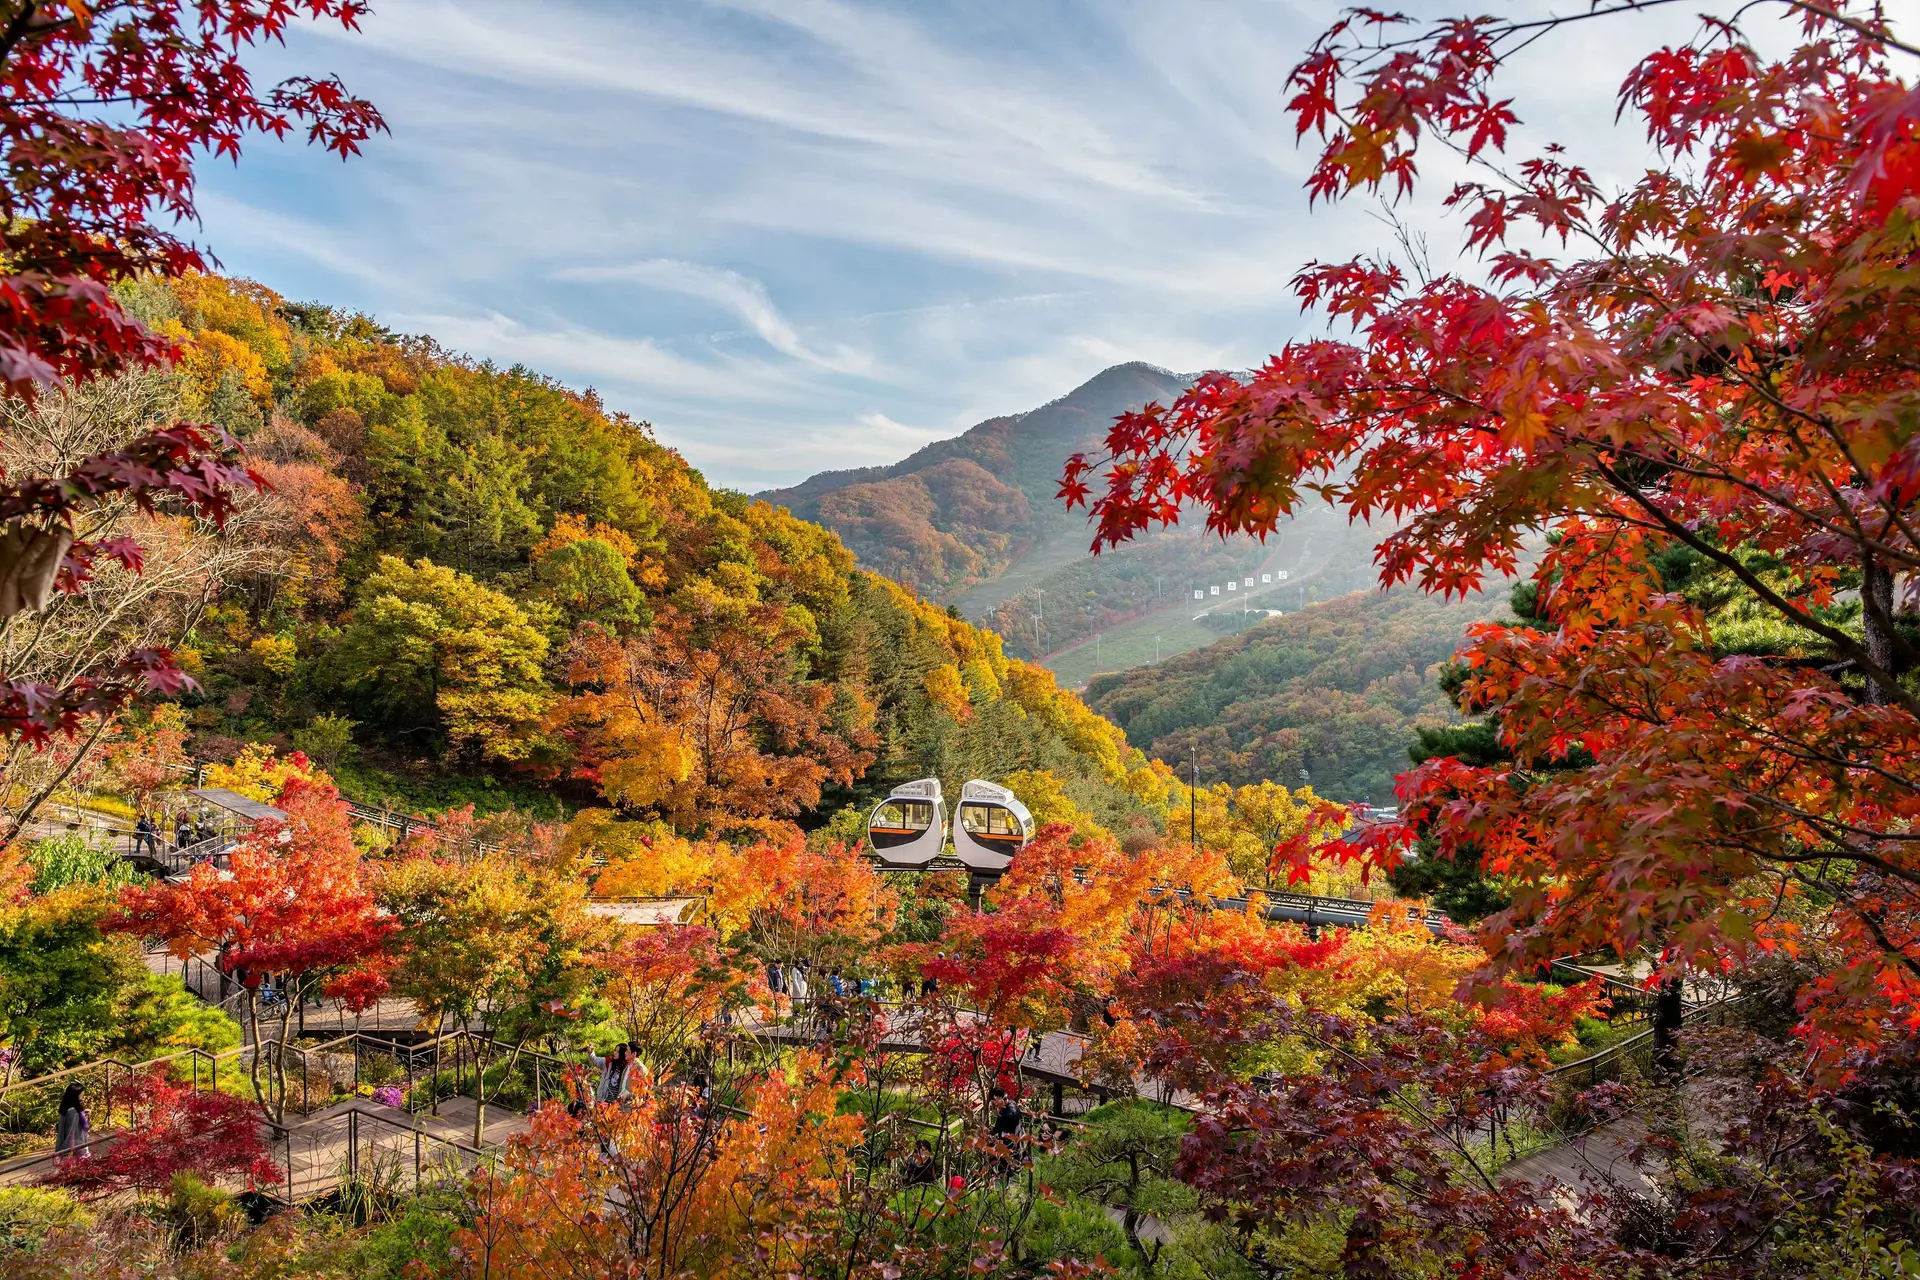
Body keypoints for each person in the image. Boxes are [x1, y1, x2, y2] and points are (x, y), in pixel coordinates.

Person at [54, 1083, 89, 1158]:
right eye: (81, 1093)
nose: (83, 1094)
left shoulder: (67, 1107)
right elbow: (71, 1132)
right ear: (75, 1095)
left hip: (76, 1144)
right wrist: (71, 1151)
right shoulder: (72, 1112)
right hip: (76, 1147)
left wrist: (83, 1114)